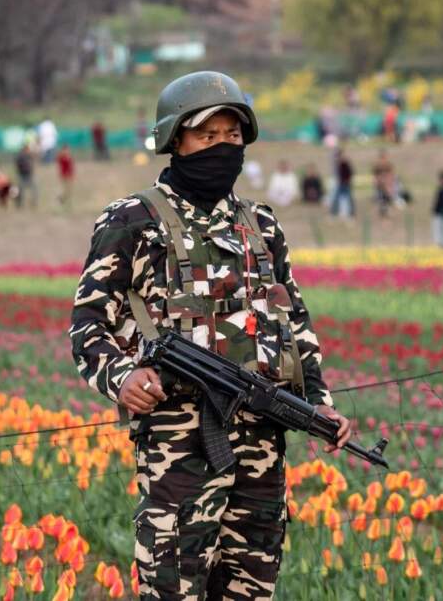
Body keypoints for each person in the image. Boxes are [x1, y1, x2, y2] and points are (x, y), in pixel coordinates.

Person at [69, 71, 351, 601]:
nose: (223, 148)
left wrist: (320, 404)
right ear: (176, 141)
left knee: (251, 590)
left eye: (233, 137)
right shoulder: (134, 221)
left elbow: (293, 325)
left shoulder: (261, 226)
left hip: (263, 447)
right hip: (179, 448)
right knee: (174, 589)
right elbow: (88, 324)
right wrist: (122, 376)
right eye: (207, 136)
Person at [331, 149, 354, 218]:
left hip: (345, 183)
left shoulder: (345, 164)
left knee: (348, 198)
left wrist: (347, 181)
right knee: (337, 198)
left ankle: (351, 212)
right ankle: (334, 212)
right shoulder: (338, 164)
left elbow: (349, 173)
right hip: (341, 183)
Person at [372, 150, 396, 218]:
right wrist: (376, 181)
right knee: (380, 199)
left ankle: (387, 212)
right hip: (380, 184)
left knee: (387, 199)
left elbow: (391, 174)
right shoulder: (378, 164)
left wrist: (390, 183)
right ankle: (382, 212)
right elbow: (375, 174)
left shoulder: (388, 164)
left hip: (386, 184)